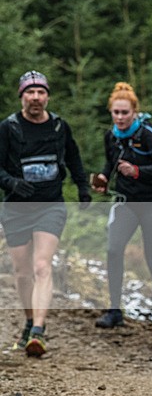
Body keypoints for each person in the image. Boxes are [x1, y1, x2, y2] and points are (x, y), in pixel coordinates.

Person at [0, 70, 91, 356]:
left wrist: (83, 187)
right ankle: (29, 321)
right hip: (16, 207)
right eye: (30, 92)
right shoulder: (9, 128)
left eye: (41, 92)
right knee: (22, 272)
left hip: (50, 205)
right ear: (22, 96)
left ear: (47, 97)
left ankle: (38, 331)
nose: (36, 97)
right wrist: (11, 183)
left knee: (42, 265)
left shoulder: (59, 127)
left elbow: (74, 157)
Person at [94, 82, 152, 329]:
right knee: (113, 250)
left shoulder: (147, 134)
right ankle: (114, 310)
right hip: (126, 203)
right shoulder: (110, 136)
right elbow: (111, 162)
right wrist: (104, 177)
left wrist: (137, 171)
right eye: (116, 113)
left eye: (125, 113)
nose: (120, 118)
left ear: (134, 112)